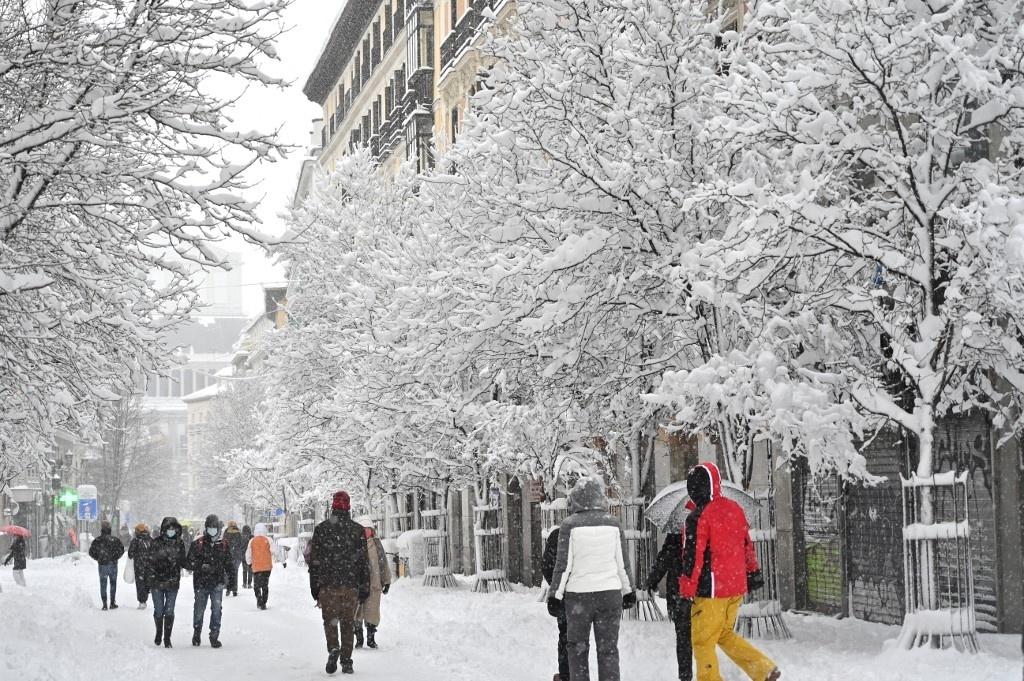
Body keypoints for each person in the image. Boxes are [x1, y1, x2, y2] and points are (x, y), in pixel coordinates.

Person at [678, 462, 780, 681]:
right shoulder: (734, 508)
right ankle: (763, 669)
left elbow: (692, 559)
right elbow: (746, 544)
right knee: (723, 634)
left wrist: (687, 591)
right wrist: (753, 572)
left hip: (711, 590)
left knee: (703, 641)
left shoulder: (698, 517)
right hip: (735, 587)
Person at [548, 477, 636, 681]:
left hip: (579, 597)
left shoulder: (569, 525)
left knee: (577, 649)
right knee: (608, 649)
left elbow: (563, 566)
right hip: (610, 595)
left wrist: (555, 595)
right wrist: (629, 590)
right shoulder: (614, 524)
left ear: (576, 499)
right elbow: (622, 562)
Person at [308, 490, 370, 676]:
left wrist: (315, 588)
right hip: (350, 585)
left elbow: (314, 562)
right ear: (348, 507)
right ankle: (347, 660)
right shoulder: (357, 530)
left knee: (330, 621)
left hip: (328, 585)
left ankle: (333, 648)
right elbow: (363, 563)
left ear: (332, 507)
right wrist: (364, 587)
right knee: (348, 623)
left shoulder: (321, 529)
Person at [648, 531, 691, 681]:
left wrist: (652, 581)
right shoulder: (707, 523)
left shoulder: (676, 532)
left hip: (679, 591)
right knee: (702, 639)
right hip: (702, 591)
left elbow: (664, 558)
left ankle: (686, 676)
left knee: (683, 638)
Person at [185, 514, 233, 648]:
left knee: (217, 610)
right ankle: (197, 632)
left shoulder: (223, 545)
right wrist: (200, 566)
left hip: (217, 583)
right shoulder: (198, 544)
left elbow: (229, 564)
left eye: (215, 527)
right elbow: (188, 563)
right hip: (201, 583)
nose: (213, 530)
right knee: (199, 610)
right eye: (210, 527)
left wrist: (232, 582)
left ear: (218, 528)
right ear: (206, 528)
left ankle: (214, 636)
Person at [353, 519, 392, 649]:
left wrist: (386, 581)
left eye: (368, 529)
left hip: (374, 585)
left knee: (372, 613)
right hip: (358, 585)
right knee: (356, 612)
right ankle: (359, 638)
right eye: (363, 529)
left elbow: (383, 564)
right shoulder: (355, 544)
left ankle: (371, 638)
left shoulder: (377, 545)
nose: (366, 531)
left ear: (372, 530)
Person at [150, 517, 187, 648]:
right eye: (168, 529)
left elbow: (183, 560)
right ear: (163, 530)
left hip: (172, 582)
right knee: (159, 610)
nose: (171, 531)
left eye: (173, 529)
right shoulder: (155, 542)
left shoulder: (179, 543)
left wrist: (194, 565)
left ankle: (167, 638)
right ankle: (159, 632)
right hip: (157, 582)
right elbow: (150, 561)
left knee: (169, 611)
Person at [542, 527, 569, 681]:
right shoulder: (589, 535)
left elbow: (546, 565)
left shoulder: (558, 535)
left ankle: (566, 674)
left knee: (565, 635)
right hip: (585, 597)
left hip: (563, 597)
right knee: (581, 638)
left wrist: (557, 586)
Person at [89, 520, 126, 610]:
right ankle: (112, 603)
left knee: (103, 584)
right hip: (113, 564)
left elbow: (91, 552)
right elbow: (121, 550)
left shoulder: (97, 541)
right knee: (113, 583)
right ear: (110, 529)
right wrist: (115, 557)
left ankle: (104, 604)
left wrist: (98, 558)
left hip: (102, 565)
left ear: (102, 529)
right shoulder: (115, 540)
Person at [245, 522, 275, 610]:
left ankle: (259, 599)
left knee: (257, 585)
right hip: (267, 567)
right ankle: (264, 602)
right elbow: (275, 551)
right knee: (265, 585)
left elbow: (248, 554)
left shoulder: (252, 541)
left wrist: (249, 563)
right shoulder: (268, 540)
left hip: (256, 567)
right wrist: (283, 561)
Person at [128, 522, 155, 609]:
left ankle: (142, 601)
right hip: (149, 566)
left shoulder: (135, 541)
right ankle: (145, 595)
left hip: (139, 566)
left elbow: (130, 554)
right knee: (147, 582)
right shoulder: (151, 540)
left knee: (140, 584)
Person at [224, 521, 245, 597]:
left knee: (228, 572)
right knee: (235, 573)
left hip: (228, 556)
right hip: (236, 556)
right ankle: (235, 590)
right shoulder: (238, 533)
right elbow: (241, 545)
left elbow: (224, 544)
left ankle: (228, 589)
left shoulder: (226, 533)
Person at [240, 524, 254, 589]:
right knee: (250, 570)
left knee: (244, 570)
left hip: (243, 556)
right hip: (250, 556)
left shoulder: (241, 537)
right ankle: (249, 584)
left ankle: (244, 583)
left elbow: (239, 547)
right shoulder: (252, 537)